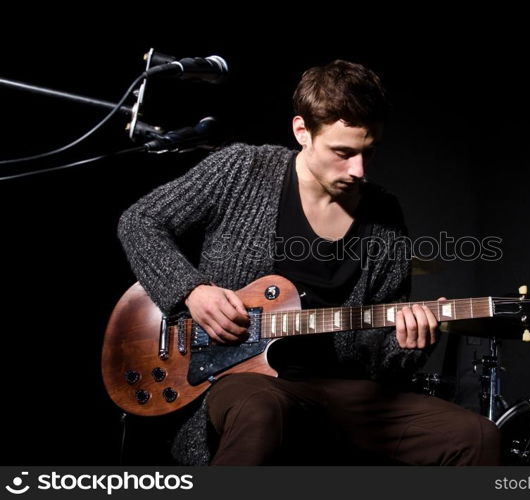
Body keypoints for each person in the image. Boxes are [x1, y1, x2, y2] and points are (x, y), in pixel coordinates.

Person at [117, 59, 500, 465]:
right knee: (263, 407)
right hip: (236, 380)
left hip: (338, 390)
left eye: (368, 152)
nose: (358, 170)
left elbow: (380, 361)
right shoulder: (243, 168)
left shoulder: (385, 218)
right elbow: (140, 222)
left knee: (476, 435)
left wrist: (409, 343)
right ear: (302, 131)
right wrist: (191, 290)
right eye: (343, 152)